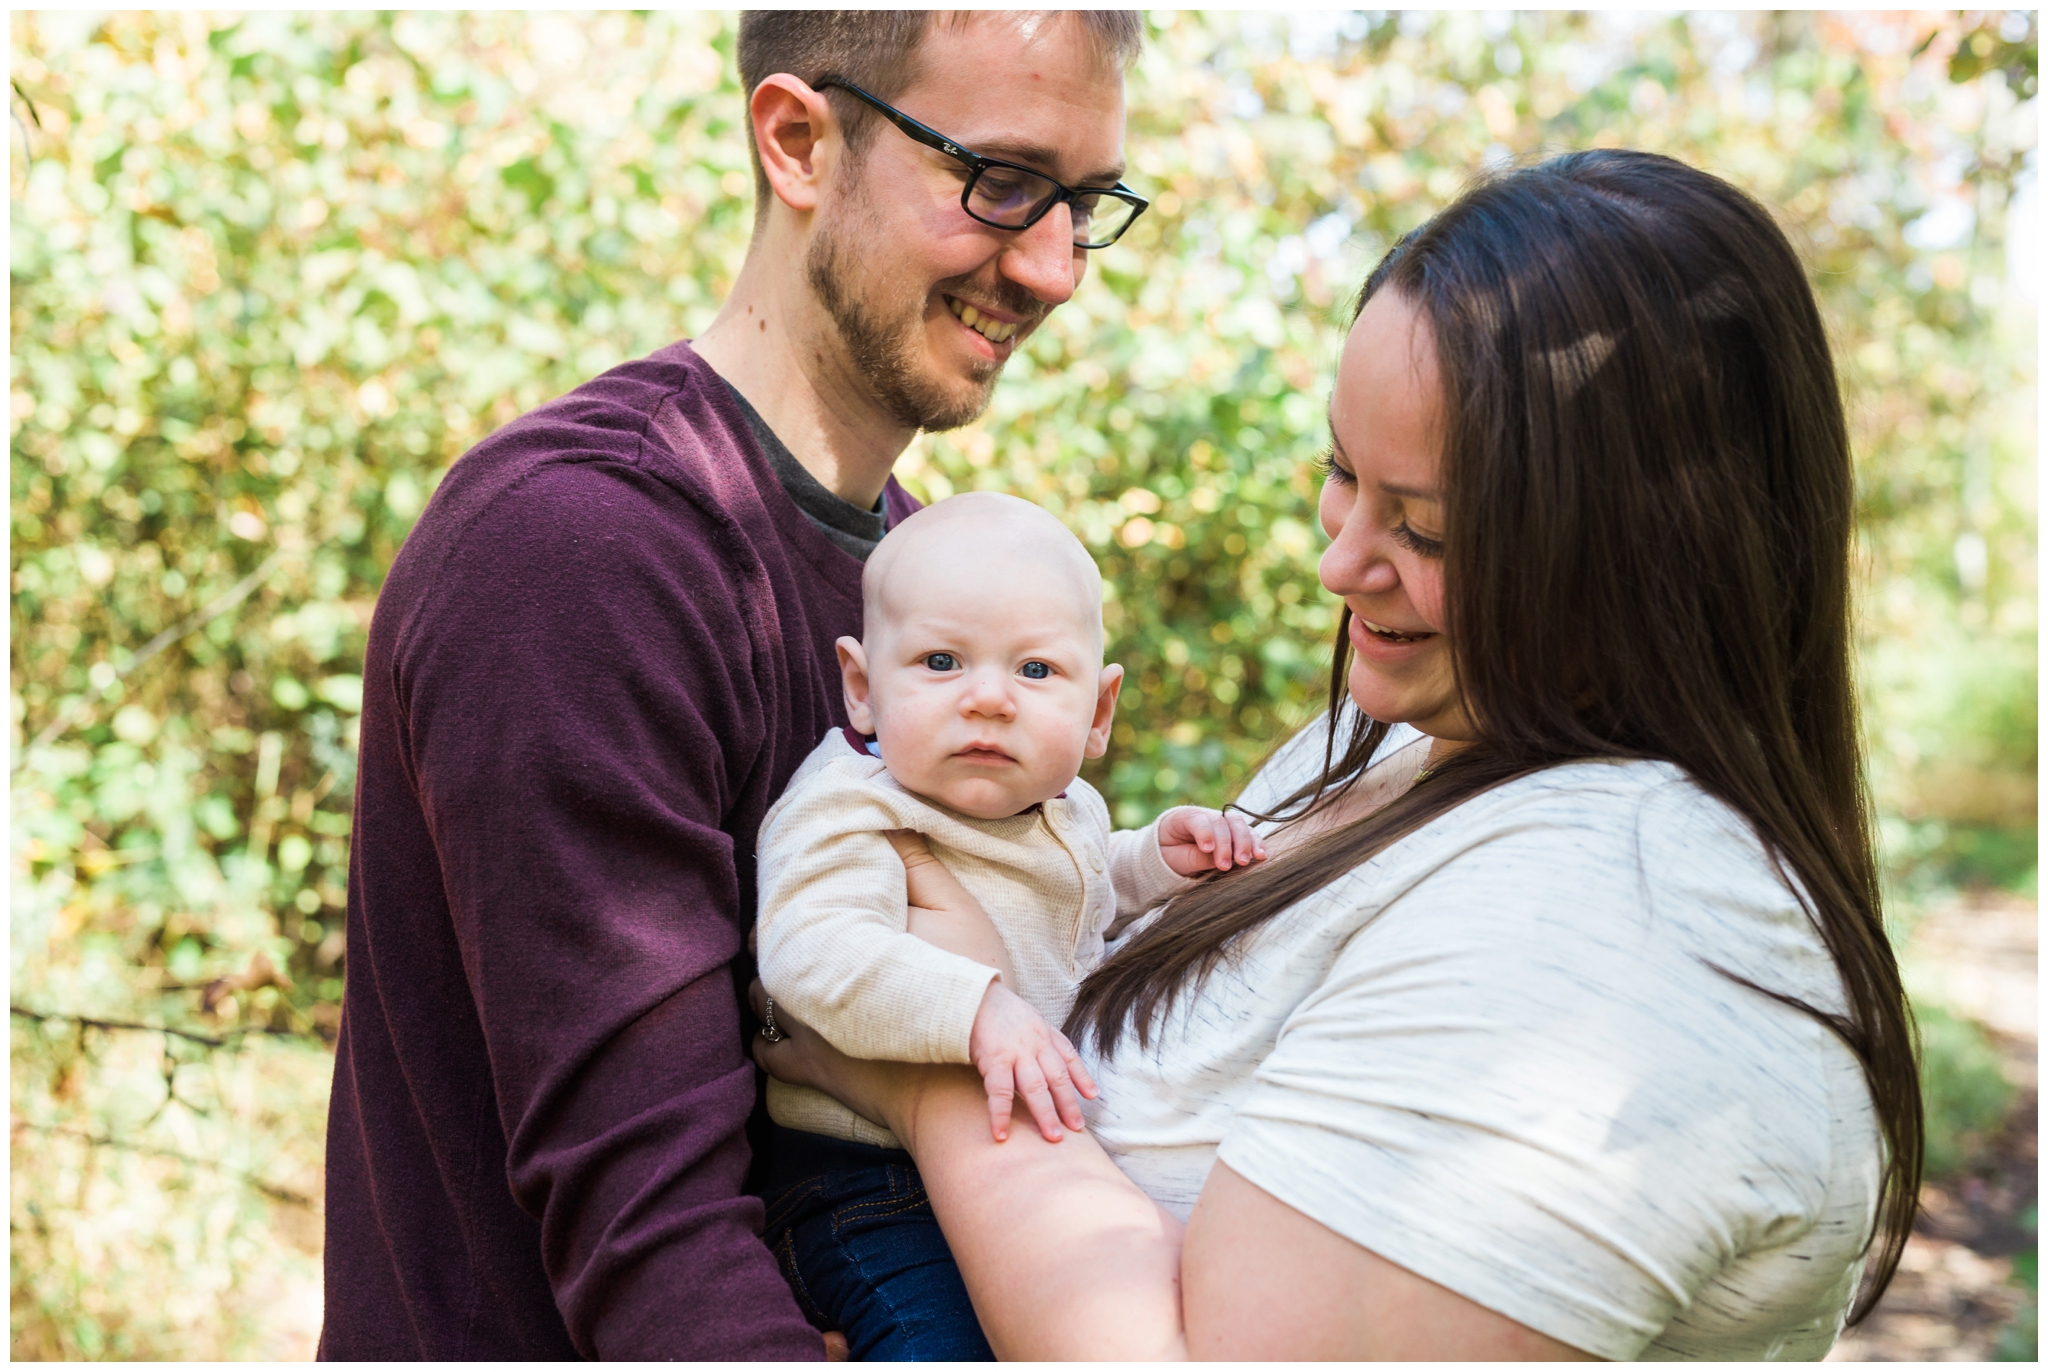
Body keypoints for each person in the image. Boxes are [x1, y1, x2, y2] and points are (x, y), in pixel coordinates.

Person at [753, 148, 1925, 1360]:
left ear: (1650, 557)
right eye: (1340, 474)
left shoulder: (1621, 932)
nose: (1337, 563)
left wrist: (928, 1086)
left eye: (1419, 525)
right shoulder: (1392, 740)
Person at [317, 11, 1147, 1360]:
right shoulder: (581, 554)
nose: (1054, 268)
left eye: (1087, 203)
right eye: (1001, 183)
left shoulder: (920, 586)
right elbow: (656, 1245)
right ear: (798, 141)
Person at [753, 492, 1262, 1360]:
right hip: (864, 1179)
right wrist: (976, 1007)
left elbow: (1083, 893)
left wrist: (1157, 863)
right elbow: (813, 953)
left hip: (1006, 1175)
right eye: (942, 661)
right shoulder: (851, 812)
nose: (989, 699)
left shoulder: (1066, 811)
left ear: (1098, 714)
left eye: (1034, 672)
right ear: (863, 689)